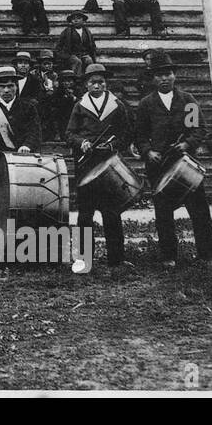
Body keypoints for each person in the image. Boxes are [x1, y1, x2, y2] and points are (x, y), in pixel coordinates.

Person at [134, 52, 212, 267]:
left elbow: (199, 129)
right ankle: (168, 256)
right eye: (159, 75)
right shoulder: (146, 104)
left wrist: (187, 144)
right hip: (159, 166)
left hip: (186, 164)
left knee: (199, 211)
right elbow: (140, 135)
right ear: (153, 78)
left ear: (174, 76)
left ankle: (206, 255)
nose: (164, 78)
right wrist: (148, 152)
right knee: (163, 213)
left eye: (168, 73)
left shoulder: (187, 100)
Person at [66, 64, 132, 271]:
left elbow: (126, 132)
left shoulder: (117, 105)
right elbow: (69, 134)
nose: (97, 85)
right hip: (86, 164)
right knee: (85, 214)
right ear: (86, 84)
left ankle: (117, 259)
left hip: (109, 166)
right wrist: (81, 143)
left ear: (106, 83)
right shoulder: (79, 105)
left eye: (101, 82)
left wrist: (113, 145)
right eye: (93, 82)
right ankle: (83, 260)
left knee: (111, 212)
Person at [0, 66, 42, 226]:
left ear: (16, 87)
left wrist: (27, 145)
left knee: (23, 205)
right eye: (2, 86)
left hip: (23, 164)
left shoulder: (28, 108)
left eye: (10, 86)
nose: (6, 90)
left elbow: (35, 132)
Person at [54, 10, 98, 75]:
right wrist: (65, 55)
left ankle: (88, 79)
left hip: (84, 53)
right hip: (71, 54)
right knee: (77, 61)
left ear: (83, 20)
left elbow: (92, 45)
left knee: (89, 61)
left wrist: (91, 55)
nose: (76, 20)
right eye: (73, 19)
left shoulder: (87, 32)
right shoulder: (67, 31)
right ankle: (76, 78)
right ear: (71, 21)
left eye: (78, 18)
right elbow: (59, 46)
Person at [40, 65, 78, 142]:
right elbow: (54, 103)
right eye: (65, 81)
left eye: (70, 81)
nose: (68, 83)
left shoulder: (78, 91)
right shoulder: (58, 92)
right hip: (61, 117)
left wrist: (73, 98)